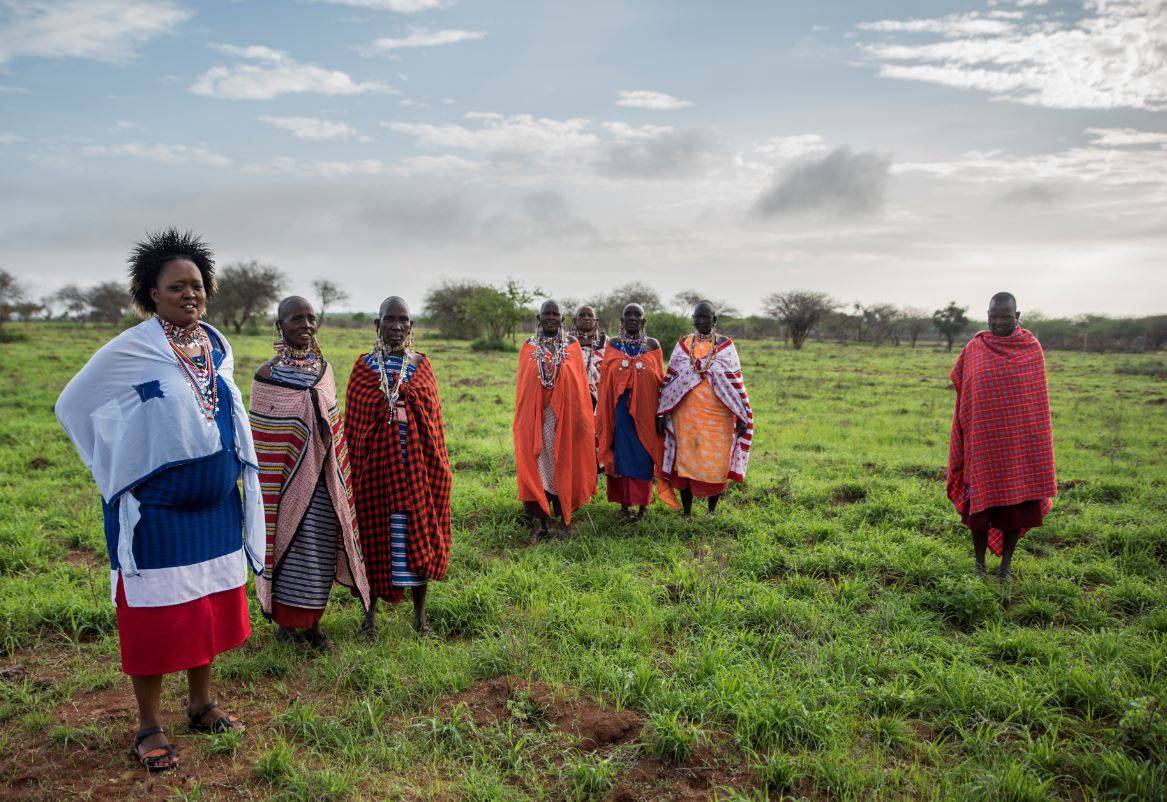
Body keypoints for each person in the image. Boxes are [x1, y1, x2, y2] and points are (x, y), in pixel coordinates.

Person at [55, 229, 264, 771]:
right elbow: (73, 404)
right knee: (153, 616)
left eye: (197, 285)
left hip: (216, 506)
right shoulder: (132, 349)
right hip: (158, 511)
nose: (190, 294)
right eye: (176, 287)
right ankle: (148, 725)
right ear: (151, 293)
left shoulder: (217, 343)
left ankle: (202, 704)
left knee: (206, 607)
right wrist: (115, 465)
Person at [249, 296, 371, 650]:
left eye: (310, 318)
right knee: (287, 548)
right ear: (280, 326)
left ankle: (314, 625)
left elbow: (334, 424)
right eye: (296, 319)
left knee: (319, 548)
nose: (305, 325)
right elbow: (265, 440)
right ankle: (285, 626)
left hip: (323, 480)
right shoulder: (266, 376)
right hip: (284, 485)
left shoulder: (325, 370)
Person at [344, 297, 452, 636]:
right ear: (377, 325)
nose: (396, 326)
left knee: (417, 533)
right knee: (376, 539)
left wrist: (408, 399)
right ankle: (368, 619)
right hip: (375, 472)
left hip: (417, 470)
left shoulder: (421, 366)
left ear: (411, 326)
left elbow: (434, 422)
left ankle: (420, 619)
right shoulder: (363, 368)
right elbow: (355, 426)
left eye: (403, 320)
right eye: (389, 320)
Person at [947, 292, 1056, 580]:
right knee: (980, 511)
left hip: (1018, 448)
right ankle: (979, 566)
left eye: (1005, 317)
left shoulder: (1031, 348)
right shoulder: (975, 348)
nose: (997, 322)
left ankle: (1006, 567)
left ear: (1017, 317)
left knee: (1014, 512)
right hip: (982, 444)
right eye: (993, 316)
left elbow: (1035, 404)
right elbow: (962, 385)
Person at [658, 301, 754, 515]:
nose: (701, 321)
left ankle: (712, 511)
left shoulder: (726, 347)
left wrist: (742, 416)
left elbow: (735, 384)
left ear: (714, 320)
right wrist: (663, 412)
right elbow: (670, 380)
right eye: (697, 317)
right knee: (685, 461)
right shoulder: (683, 345)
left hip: (719, 417)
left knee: (717, 463)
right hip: (686, 414)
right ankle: (687, 512)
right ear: (693, 319)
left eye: (706, 317)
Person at [514, 300, 597, 542]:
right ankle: (542, 523)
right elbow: (524, 390)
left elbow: (579, 387)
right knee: (540, 469)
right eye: (546, 314)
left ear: (562, 319)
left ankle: (564, 521)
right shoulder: (528, 348)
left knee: (565, 465)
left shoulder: (571, 346)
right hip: (537, 422)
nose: (551, 317)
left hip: (566, 421)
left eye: (555, 314)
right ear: (539, 319)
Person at [595, 304, 678, 521]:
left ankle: (642, 505)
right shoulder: (612, 345)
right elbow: (606, 383)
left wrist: (661, 414)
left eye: (637, 315)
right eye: (627, 315)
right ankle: (624, 505)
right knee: (620, 455)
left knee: (643, 456)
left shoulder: (653, 345)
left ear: (643, 322)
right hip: (620, 411)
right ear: (621, 321)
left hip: (646, 412)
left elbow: (660, 381)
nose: (632, 318)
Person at [569, 304, 605, 407]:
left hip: (599, 396)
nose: (586, 318)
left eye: (590, 316)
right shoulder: (566, 342)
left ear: (596, 321)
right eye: (582, 315)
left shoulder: (606, 342)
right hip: (572, 396)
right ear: (575, 321)